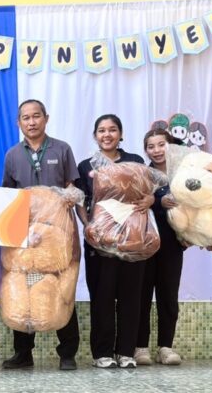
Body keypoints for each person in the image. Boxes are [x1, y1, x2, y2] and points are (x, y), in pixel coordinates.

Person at [0, 99, 81, 371]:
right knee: (21, 287)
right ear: (18, 122)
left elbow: (72, 186)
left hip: (59, 231)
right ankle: (23, 353)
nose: (31, 122)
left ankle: (67, 353)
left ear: (46, 118)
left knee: (63, 284)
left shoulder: (62, 148)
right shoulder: (12, 154)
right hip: (24, 232)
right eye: (26, 117)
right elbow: (7, 194)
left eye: (36, 116)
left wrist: (71, 197)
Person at [75, 114, 151, 369]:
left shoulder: (135, 161)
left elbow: (147, 192)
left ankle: (126, 352)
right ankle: (102, 353)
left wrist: (150, 199)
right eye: (101, 130)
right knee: (102, 297)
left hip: (132, 239)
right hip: (100, 241)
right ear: (95, 135)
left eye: (112, 130)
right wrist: (88, 226)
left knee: (131, 296)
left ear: (121, 134)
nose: (107, 135)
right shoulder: (86, 166)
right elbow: (80, 200)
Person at [135, 129, 185, 366]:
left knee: (168, 296)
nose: (156, 150)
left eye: (161, 144)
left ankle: (166, 347)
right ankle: (140, 347)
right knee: (141, 295)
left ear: (171, 145)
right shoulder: (142, 175)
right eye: (150, 146)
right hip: (144, 243)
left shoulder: (184, 174)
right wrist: (157, 201)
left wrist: (192, 235)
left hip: (172, 244)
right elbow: (135, 204)